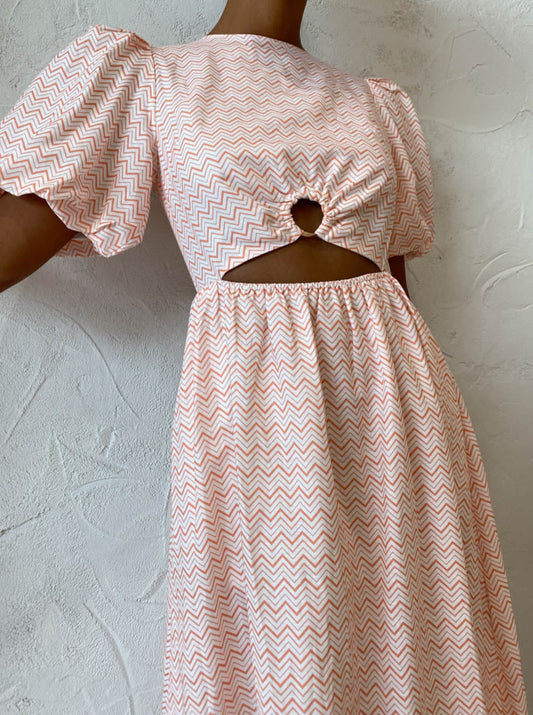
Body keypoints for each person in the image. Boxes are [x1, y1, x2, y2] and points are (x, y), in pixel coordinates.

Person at [0, 1, 529, 713]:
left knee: (411, 626)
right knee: (289, 638)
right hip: (256, 399)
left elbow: (393, 288)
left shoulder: (374, 103)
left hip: (398, 402)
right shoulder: (150, 77)